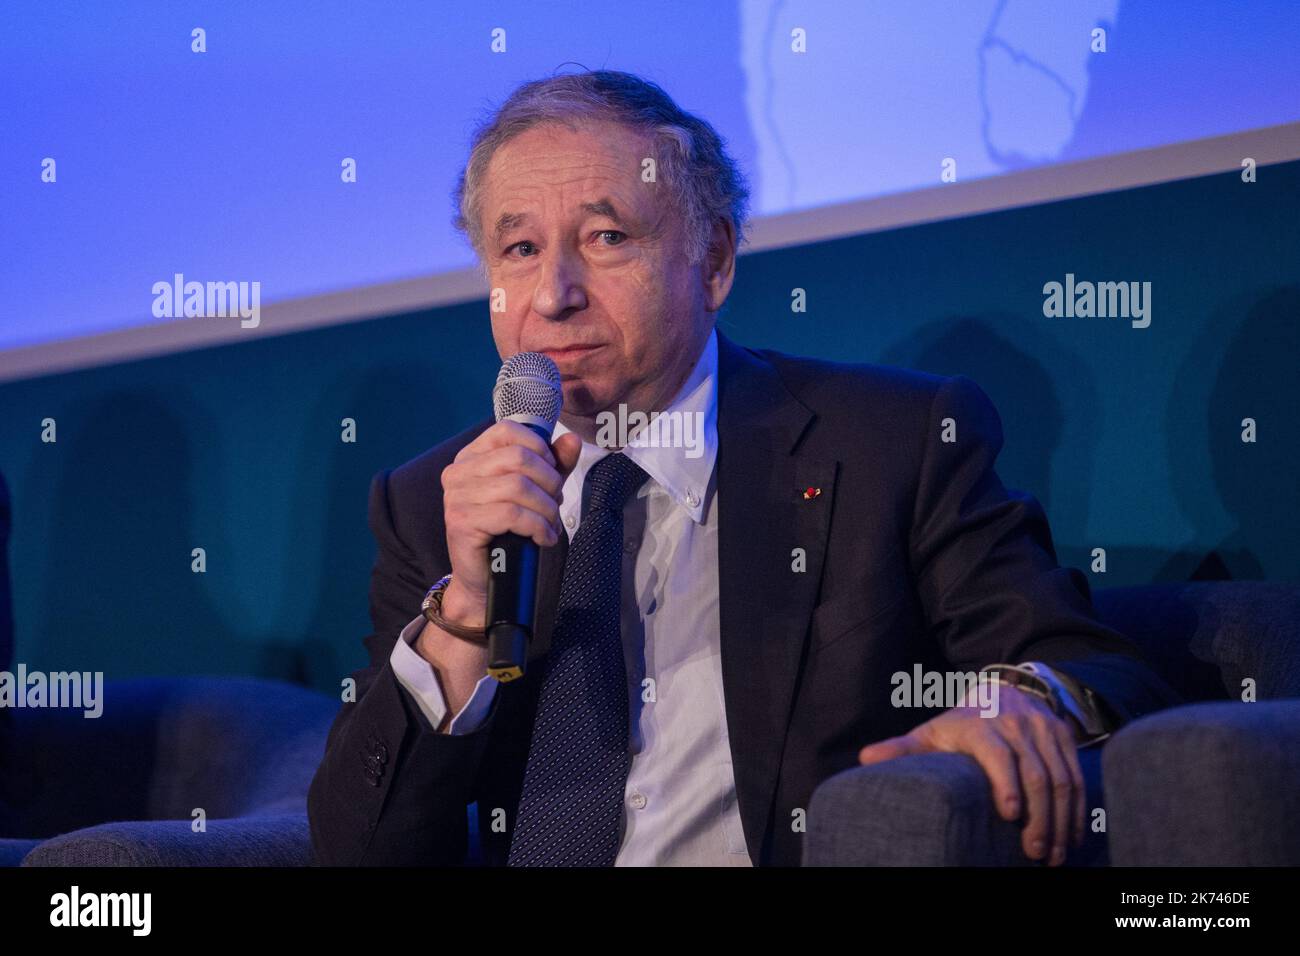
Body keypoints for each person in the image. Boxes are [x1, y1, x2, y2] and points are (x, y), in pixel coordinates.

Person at [307, 70, 1179, 867]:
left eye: (606, 237)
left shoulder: (888, 445)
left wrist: (1022, 701)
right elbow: (358, 849)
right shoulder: (436, 503)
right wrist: (460, 615)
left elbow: (1089, 666)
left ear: (714, 260)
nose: (552, 295)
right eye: (520, 251)